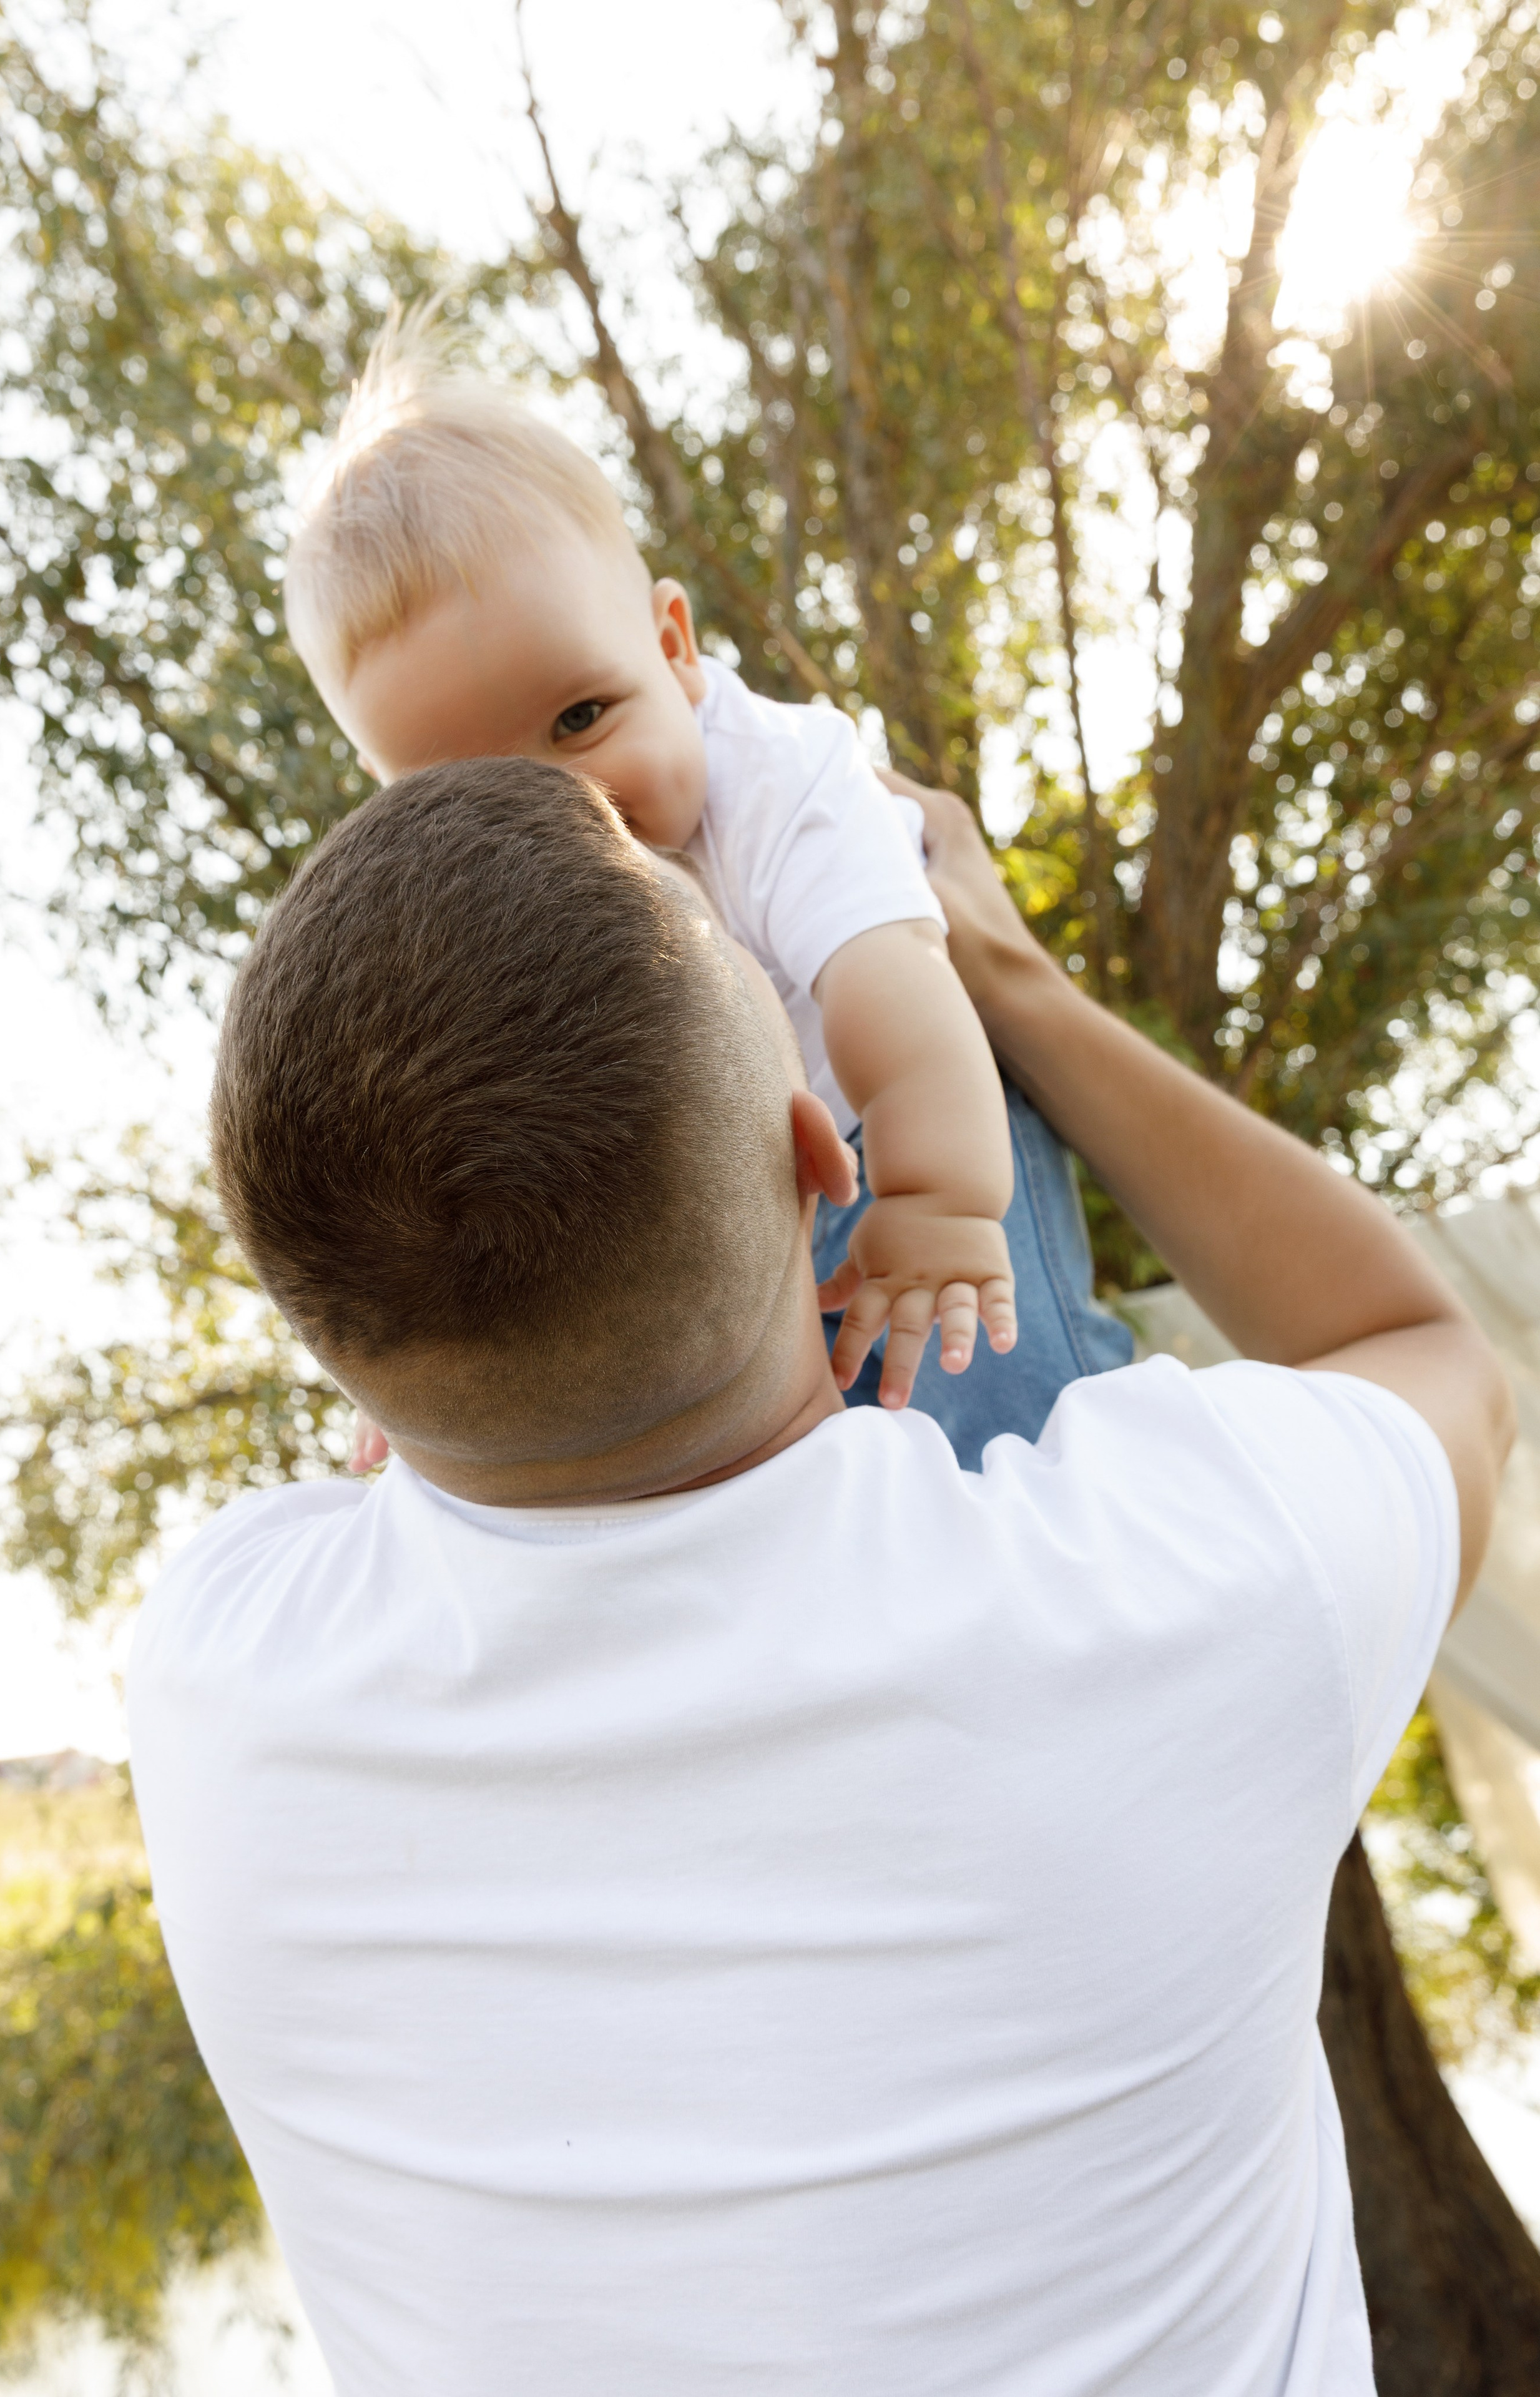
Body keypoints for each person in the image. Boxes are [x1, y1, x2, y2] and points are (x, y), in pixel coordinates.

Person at [129, 756, 1510, 2397]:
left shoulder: (212, 1676)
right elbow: (1426, 1350)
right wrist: (1011, 983)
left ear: (335, 1332)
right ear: (820, 1161)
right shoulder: (1174, 1584)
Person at [283, 309, 1130, 1457]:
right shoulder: (471, 924)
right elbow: (451, 1144)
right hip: (737, 1210)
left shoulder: (780, 778)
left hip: (906, 1117)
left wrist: (935, 1201)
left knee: (996, 1398)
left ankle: (1078, 1497)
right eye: (474, 785)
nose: (565, 807)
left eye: (580, 719)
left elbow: (896, 987)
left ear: (672, 646)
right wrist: (432, 1380)